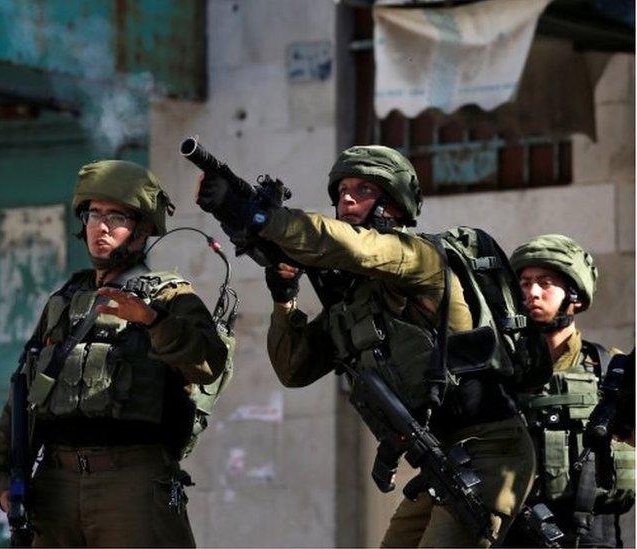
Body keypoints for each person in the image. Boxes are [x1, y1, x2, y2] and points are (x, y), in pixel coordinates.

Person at [196, 145, 535, 547]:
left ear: (395, 203)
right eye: (341, 192)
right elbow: (293, 368)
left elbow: (354, 247)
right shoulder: (357, 301)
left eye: (363, 190)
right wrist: (284, 297)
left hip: (493, 449)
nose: (348, 200)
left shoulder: (421, 259)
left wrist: (262, 217)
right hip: (442, 460)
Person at [0, 159, 228, 547]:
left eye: (116, 216)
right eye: (93, 214)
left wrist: (150, 320)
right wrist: (3, 477)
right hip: (55, 485)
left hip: (131, 482)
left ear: (144, 228)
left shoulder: (170, 297)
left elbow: (208, 363)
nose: (101, 226)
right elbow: (27, 391)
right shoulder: (64, 302)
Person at [506, 235, 634, 547]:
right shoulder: (500, 372)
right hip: (515, 533)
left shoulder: (612, 371)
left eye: (545, 282)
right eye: (524, 283)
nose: (532, 293)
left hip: (593, 534)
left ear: (574, 294)